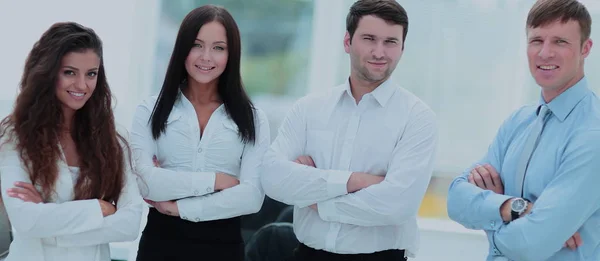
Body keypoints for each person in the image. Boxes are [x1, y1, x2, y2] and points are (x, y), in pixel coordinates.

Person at [260, 0, 438, 260]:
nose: (379, 52)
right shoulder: (309, 108)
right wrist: (355, 181)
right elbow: (272, 176)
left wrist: (314, 198)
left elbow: (396, 204)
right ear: (347, 42)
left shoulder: (418, 118)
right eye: (369, 39)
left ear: (402, 48)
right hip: (307, 254)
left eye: (391, 42)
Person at [447, 0, 600, 260]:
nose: (545, 53)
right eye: (536, 40)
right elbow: (456, 200)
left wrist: (490, 219)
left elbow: (529, 244)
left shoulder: (592, 134)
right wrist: (513, 207)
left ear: (585, 48)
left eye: (560, 42)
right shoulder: (518, 121)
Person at [130, 5, 270, 261]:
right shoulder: (149, 110)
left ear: (231, 54)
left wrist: (179, 207)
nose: (206, 57)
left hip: (223, 248)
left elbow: (251, 198)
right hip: (160, 245)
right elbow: (144, 182)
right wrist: (216, 180)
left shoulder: (253, 118)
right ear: (183, 48)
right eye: (197, 45)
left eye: (218, 48)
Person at [0, 22, 143, 261]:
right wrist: (98, 208)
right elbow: (25, 220)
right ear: (48, 72)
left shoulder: (114, 139)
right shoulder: (15, 136)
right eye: (69, 72)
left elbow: (129, 224)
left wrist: (50, 224)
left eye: (91, 74)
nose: (81, 85)